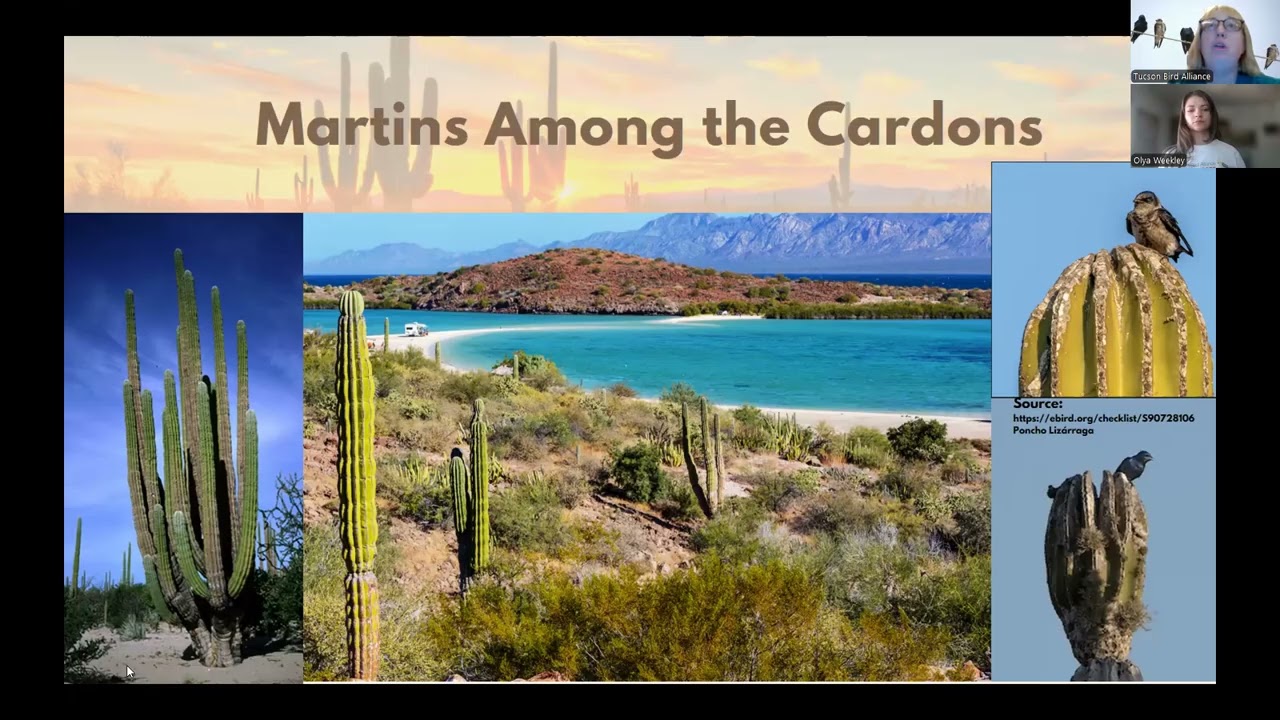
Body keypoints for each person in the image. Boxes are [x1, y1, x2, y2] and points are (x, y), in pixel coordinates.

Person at [1177, 5, 1280, 84]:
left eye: (1231, 25)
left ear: (1244, 44)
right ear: (1199, 43)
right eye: (1210, 25)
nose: (1220, 31)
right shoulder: (1178, 84)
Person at [1165, 89, 1247, 167]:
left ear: (1212, 115)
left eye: (1205, 109)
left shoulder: (1230, 153)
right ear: (1184, 117)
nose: (1198, 114)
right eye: (1191, 110)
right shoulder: (1170, 155)